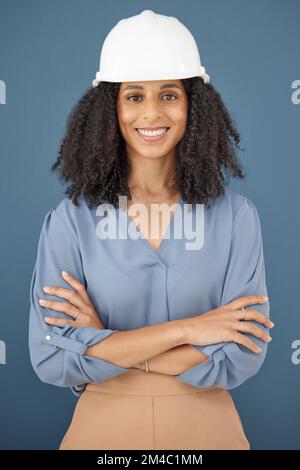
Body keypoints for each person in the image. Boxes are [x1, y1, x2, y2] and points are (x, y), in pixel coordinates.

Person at [29, 9, 273, 450]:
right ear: (111, 108)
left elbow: (242, 353)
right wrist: (189, 330)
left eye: (170, 95)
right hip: (101, 435)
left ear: (193, 105)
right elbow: (50, 355)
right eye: (135, 96)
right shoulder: (71, 220)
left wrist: (105, 342)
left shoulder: (237, 218)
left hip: (208, 432)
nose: (152, 113)